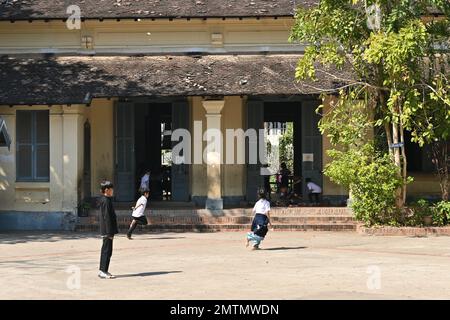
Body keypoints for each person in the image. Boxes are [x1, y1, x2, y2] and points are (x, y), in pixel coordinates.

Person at [98, 180, 118, 279]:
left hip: (107, 230)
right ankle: (102, 271)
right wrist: (110, 232)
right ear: (106, 190)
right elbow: (107, 217)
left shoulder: (106, 199)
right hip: (107, 230)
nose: (112, 191)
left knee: (108, 250)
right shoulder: (105, 200)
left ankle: (104, 270)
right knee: (106, 251)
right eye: (111, 189)